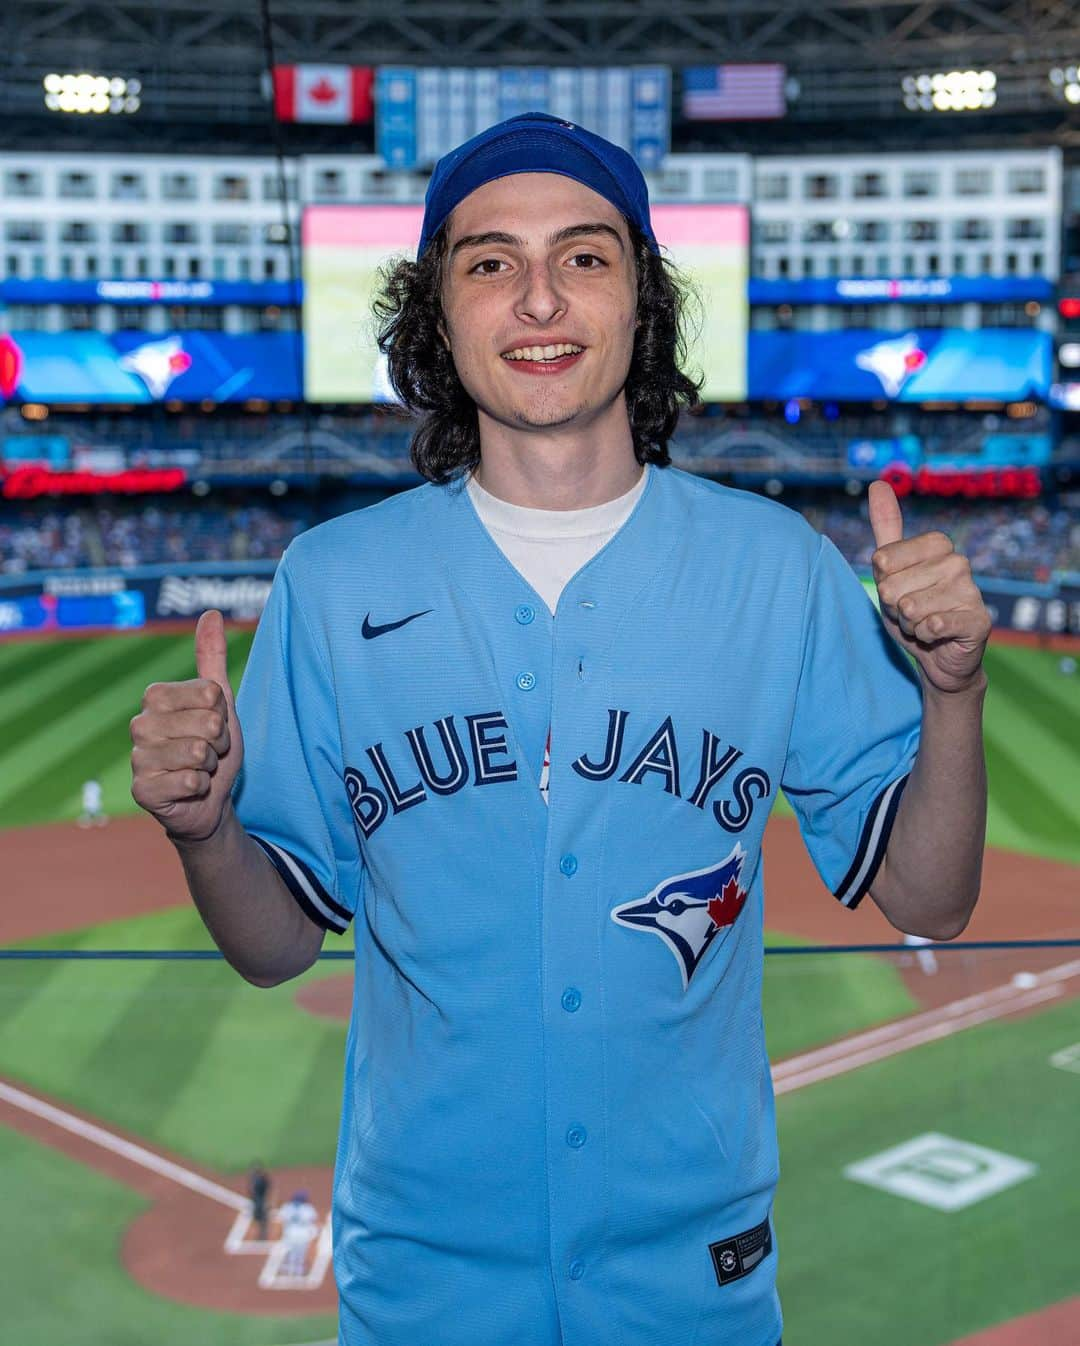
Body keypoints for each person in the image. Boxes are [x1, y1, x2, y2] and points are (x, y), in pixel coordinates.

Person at [129, 112, 991, 1346]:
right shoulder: (330, 579)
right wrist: (206, 830)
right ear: (438, 315)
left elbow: (932, 894)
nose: (539, 298)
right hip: (421, 1283)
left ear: (643, 301)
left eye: (584, 258)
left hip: (695, 1280)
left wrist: (953, 693)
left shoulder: (778, 568)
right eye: (490, 263)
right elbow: (274, 946)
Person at [277, 1189, 319, 1279]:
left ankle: (288, 1270)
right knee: (300, 1253)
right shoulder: (308, 1208)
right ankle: (299, 1271)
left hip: (290, 1233)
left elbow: (281, 1219)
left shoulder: (286, 1207)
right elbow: (313, 1221)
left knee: (290, 1252)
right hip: (303, 1234)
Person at [248, 1161, 271, 1242]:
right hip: (256, 1201)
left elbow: (268, 1190)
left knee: (263, 1219)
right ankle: (260, 1234)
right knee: (257, 1218)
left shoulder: (263, 1179)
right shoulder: (253, 1177)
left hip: (261, 1201)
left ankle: (263, 1235)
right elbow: (251, 1190)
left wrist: (268, 1202)